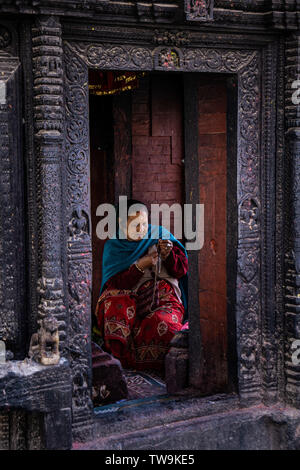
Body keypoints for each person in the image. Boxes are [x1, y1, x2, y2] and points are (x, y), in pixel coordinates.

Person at [94, 199, 188, 373]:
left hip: (162, 298)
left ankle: (141, 361)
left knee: (164, 325)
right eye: (136, 225)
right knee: (113, 304)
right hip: (130, 299)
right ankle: (118, 360)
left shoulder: (160, 236)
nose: (141, 229)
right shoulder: (114, 246)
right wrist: (140, 265)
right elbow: (114, 285)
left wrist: (168, 255)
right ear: (122, 223)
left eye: (144, 224)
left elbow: (181, 270)